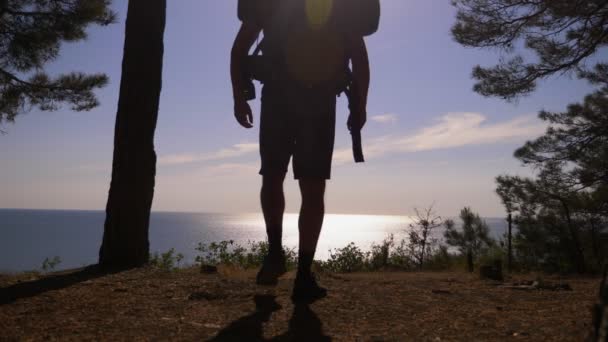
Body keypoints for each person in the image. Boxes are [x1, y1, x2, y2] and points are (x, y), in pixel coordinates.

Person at [230, 0, 370, 302]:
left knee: (272, 177)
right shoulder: (340, 6)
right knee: (312, 187)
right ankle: (303, 275)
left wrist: (238, 98)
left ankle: (275, 256)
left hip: (278, 100)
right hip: (319, 102)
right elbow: (359, 58)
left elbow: (238, 49)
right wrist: (360, 105)